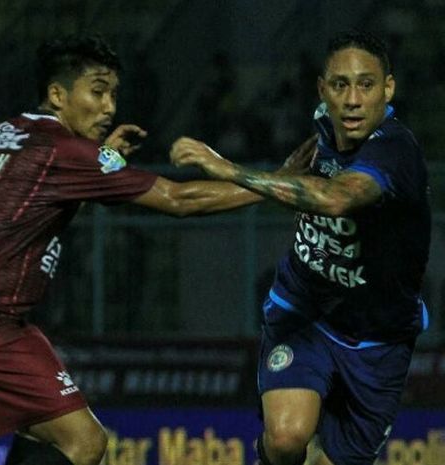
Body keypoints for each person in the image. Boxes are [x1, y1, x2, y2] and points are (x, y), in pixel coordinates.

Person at [0, 34, 315, 465]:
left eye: (113, 94)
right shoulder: (65, 151)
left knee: (46, 433)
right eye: (97, 92)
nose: (109, 107)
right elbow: (178, 200)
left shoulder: (7, 132)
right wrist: (271, 184)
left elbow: (36, 204)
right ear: (58, 94)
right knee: (85, 442)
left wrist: (99, 160)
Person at [171, 30, 431, 465]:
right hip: (303, 311)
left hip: (378, 338)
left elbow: (336, 198)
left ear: (388, 89)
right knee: (287, 438)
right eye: (339, 85)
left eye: (366, 85)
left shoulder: (395, 152)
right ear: (322, 89)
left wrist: (226, 168)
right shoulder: (322, 125)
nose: (351, 99)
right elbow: (299, 178)